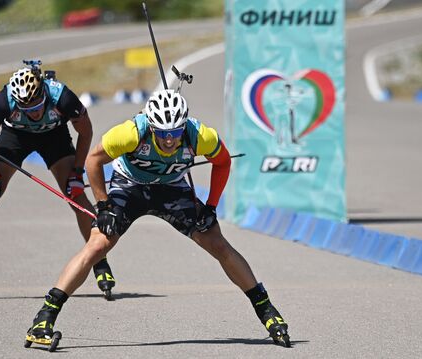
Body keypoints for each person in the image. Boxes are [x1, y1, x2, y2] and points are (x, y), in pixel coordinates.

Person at [25, 89, 291, 347]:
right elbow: (94, 161)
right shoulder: (131, 133)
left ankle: (267, 311)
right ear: (151, 126)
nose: (168, 140)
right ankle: (44, 317)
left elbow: (222, 162)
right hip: (130, 187)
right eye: (162, 133)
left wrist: (210, 206)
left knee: (218, 243)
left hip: (172, 189)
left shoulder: (200, 136)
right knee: (98, 245)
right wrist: (103, 206)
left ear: (183, 126)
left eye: (174, 133)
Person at [0, 61, 116, 302]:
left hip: (53, 137)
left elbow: (85, 132)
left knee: (76, 195)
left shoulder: (63, 98)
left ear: (43, 93)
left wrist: (77, 173)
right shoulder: (3, 101)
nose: (34, 112)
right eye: (27, 108)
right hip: (16, 137)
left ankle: (99, 261)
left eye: (37, 105)